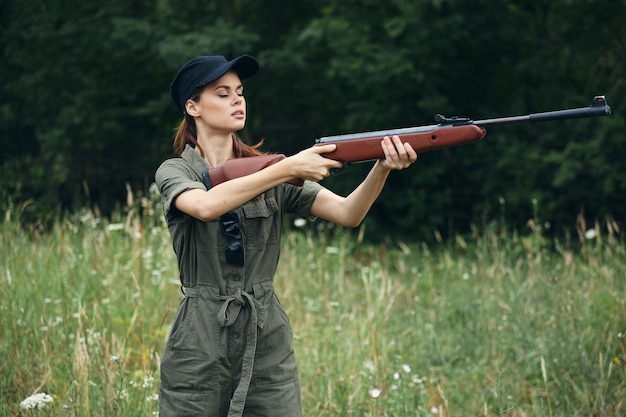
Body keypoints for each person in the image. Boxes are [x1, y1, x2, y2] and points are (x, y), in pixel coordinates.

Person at [155, 54, 418, 417]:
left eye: (240, 92)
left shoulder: (275, 171)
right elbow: (204, 206)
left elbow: (348, 213)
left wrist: (381, 168)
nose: (237, 100)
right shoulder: (175, 170)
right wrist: (286, 167)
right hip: (199, 335)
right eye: (223, 93)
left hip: (266, 334)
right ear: (192, 106)